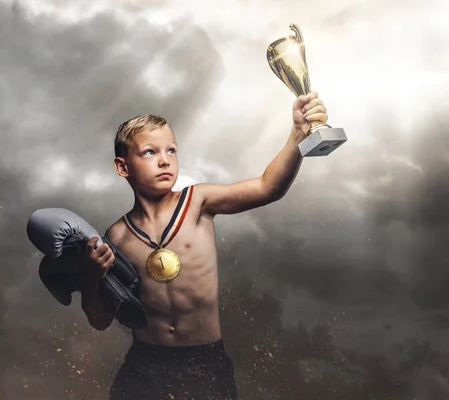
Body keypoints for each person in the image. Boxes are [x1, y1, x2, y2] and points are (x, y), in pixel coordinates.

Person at [80, 92, 329, 399]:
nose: (164, 160)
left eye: (171, 150)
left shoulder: (197, 201)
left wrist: (297, 135)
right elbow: (100, 320)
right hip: (145, 363)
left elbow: (268, 187)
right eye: (149, 152)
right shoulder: (116, 236)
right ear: (122, 166)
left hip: (204, 361)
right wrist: (92, 278)